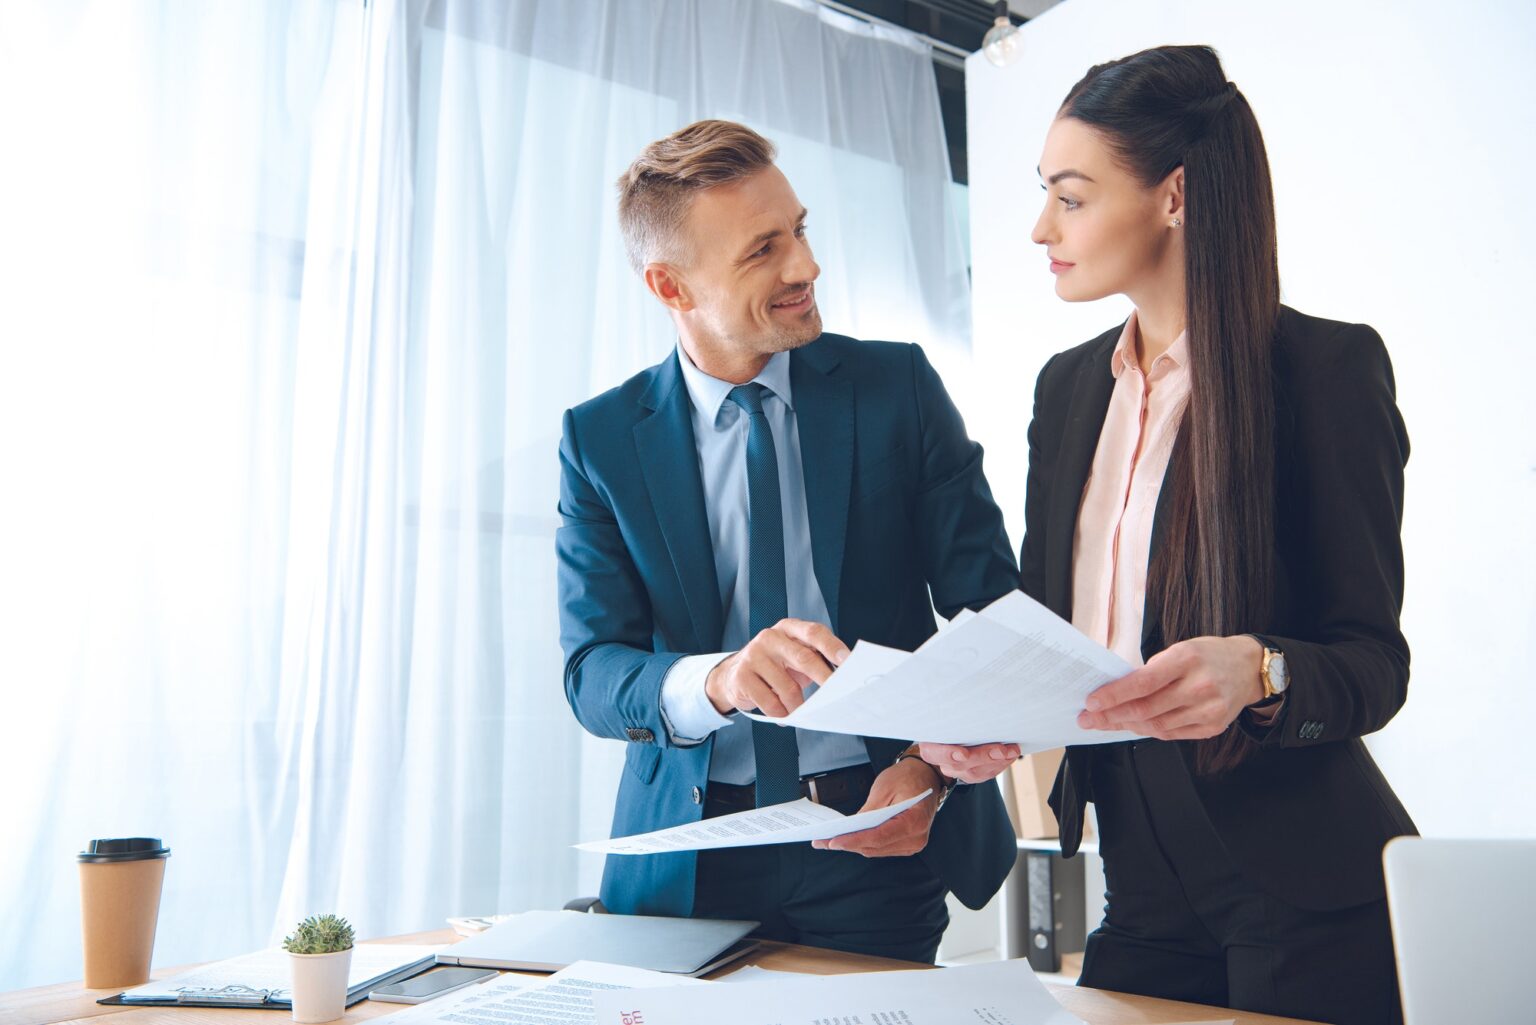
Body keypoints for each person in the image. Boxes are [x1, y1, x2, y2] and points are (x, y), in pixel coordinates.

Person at [923, 46, 1415, 1024]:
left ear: (1175, 195)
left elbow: (1374, 663)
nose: (1039, 228)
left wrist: (1258, 671)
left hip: (1308, 899)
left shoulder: (1324, 371)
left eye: (1070, 196)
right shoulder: (1068, 390)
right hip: (1141, 885)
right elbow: (1050, 629)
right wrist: (983, 711)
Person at [555, 119, 1018, 963]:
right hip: (688, 860)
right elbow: (593, 673)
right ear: (671, 285)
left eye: (799, 230)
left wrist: (931, 766)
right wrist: (720, 679)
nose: (804, 267)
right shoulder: (602, 440)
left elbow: (995, 612)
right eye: (762, 250)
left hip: (874, 832)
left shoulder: (898, 389)